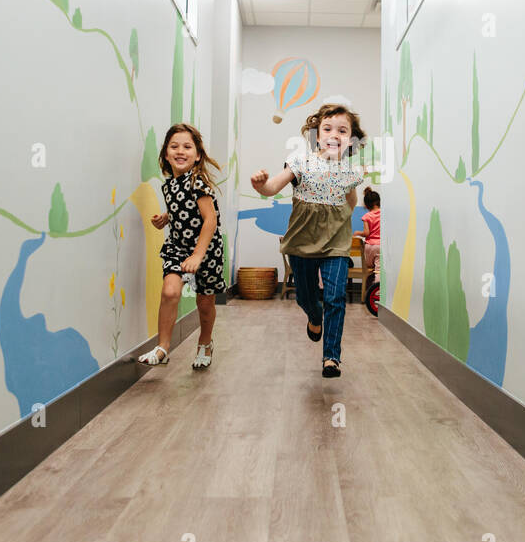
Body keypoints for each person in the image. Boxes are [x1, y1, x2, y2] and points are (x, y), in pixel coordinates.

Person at [251, 103, 366, 377]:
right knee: (306, 296)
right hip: (302, 242)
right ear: (316, 134)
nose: (334, 135)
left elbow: (351, 200)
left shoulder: (351, 172)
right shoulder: (301, 162)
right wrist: (260, 185)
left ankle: (331, 357)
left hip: (335, 243)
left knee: (336, 296)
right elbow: (272, 187)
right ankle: (315, 318)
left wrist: (337, 220)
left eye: (342, 130)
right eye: (327, 129)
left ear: (351, 139)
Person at [137, 123, 224, 369]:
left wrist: (198, 255)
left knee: (204, 305)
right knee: (170, 292)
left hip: (206, 250)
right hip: (177, 246)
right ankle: (163, 346)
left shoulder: (199, 183)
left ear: (197, 155)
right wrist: (166, 217)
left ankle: (205, 342)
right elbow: (182, 208)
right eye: (174, 146)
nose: (180, 151)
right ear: (166, 153)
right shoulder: (168, 185)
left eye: (187, 146)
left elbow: (210, 219)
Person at [354, 187, 380, 276]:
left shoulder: (367, 216)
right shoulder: (384, 214)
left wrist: (358, 233)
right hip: (380, 247)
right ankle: (376, 289)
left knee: (368, 270)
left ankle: (368, 288)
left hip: (369, 247)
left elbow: (366, 233)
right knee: (378, 271)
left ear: (366, 204)